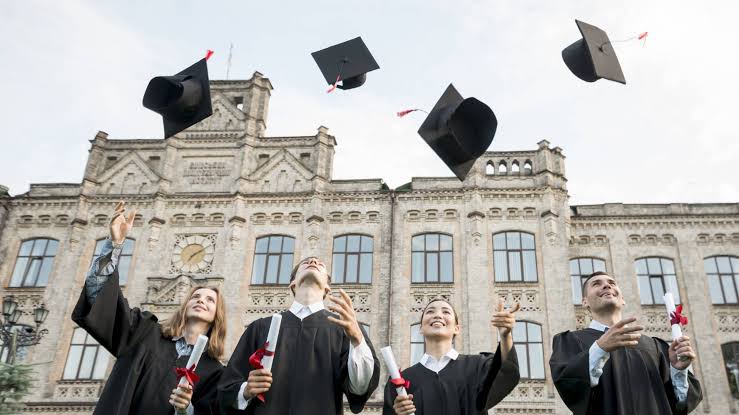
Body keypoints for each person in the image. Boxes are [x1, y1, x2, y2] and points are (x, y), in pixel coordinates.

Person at [72, 201, 226, 414]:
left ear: (217, 315)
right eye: (196, 296)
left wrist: (186, 409)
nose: (201, 300)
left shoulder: (215, 372)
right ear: (185, 305)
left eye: (210, 300)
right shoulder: (144, 332)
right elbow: (101, 297)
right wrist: (114, 245)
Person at [218, 256, 380, 414]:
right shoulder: (260, 327)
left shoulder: (345, 328)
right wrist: (246, 391)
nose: (313, 262)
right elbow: (228, 386)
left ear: (327, 288)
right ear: (292, 283)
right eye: (305, 263)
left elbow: (359, 388)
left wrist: (357, 341)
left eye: (320, 264)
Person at [549, 271, 703, 414]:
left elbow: (681, 405)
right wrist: (600, 348)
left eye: (612, 283)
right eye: (596, 284)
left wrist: (679, 371)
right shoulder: (570, 341)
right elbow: (569, 387)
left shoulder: (656, 347)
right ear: (584, 302)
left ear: (622, 299)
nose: (607, 285)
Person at [383, 298, 520, 415]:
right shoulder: (402, 381)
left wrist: (505, 336)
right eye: (430, 311)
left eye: (446, 312)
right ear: (421, 328)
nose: (438, 315)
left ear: (457, 328)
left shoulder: (478, 367)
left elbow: (506, 373)